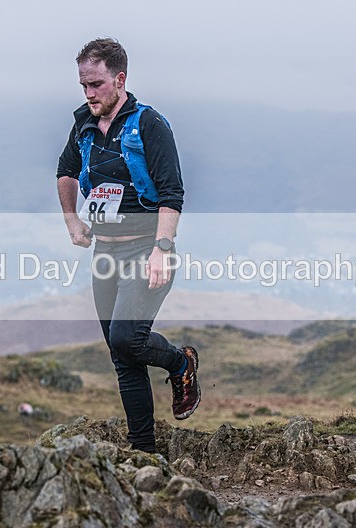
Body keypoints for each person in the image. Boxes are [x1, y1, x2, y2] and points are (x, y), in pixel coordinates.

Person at [56, 38, 200, 453]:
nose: (89, 94)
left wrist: (163, 249)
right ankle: (144, 449)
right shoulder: (83, 122)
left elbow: (172, 192)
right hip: (105, 251)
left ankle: (180, 362)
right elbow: (66, 171)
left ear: (120, 79)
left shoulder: (149, 124)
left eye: (96, 84)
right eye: (83, 85)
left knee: (127, 339)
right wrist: (72, 219)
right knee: (123, 357)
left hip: (145, 249)